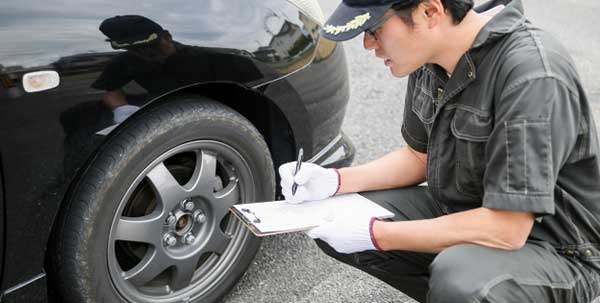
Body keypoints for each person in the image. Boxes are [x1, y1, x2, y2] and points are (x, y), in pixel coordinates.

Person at [278, 0, 600, 302]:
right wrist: (333, 181)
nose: (368, 45)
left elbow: (508, 228)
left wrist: (377, 234)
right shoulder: (431, 58)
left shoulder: (530, 73)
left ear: (430, 11)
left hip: (559, 247)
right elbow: (419, 157)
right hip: (472, 208)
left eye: (374, 29)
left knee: (460, 279)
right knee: (331, 216)